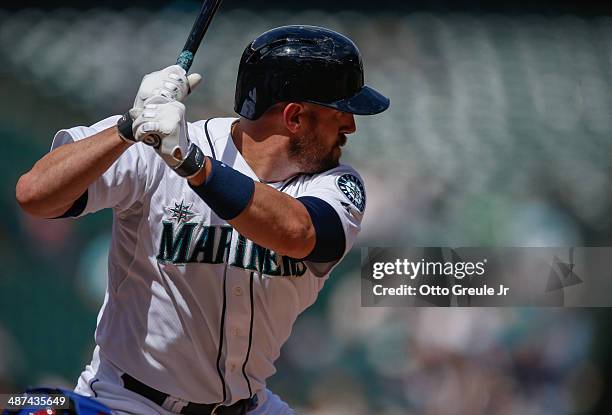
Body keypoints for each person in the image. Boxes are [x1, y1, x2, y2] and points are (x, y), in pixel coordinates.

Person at [16, 25, 389, 415]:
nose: (350, 126)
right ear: (295, 117)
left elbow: (301, 232)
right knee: (33, 408)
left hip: (248, 405)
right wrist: (127, 127)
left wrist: (191, 164)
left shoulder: (336, 183)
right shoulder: (158, 143)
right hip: (126, 401)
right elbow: (35, 196)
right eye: (340, 113)